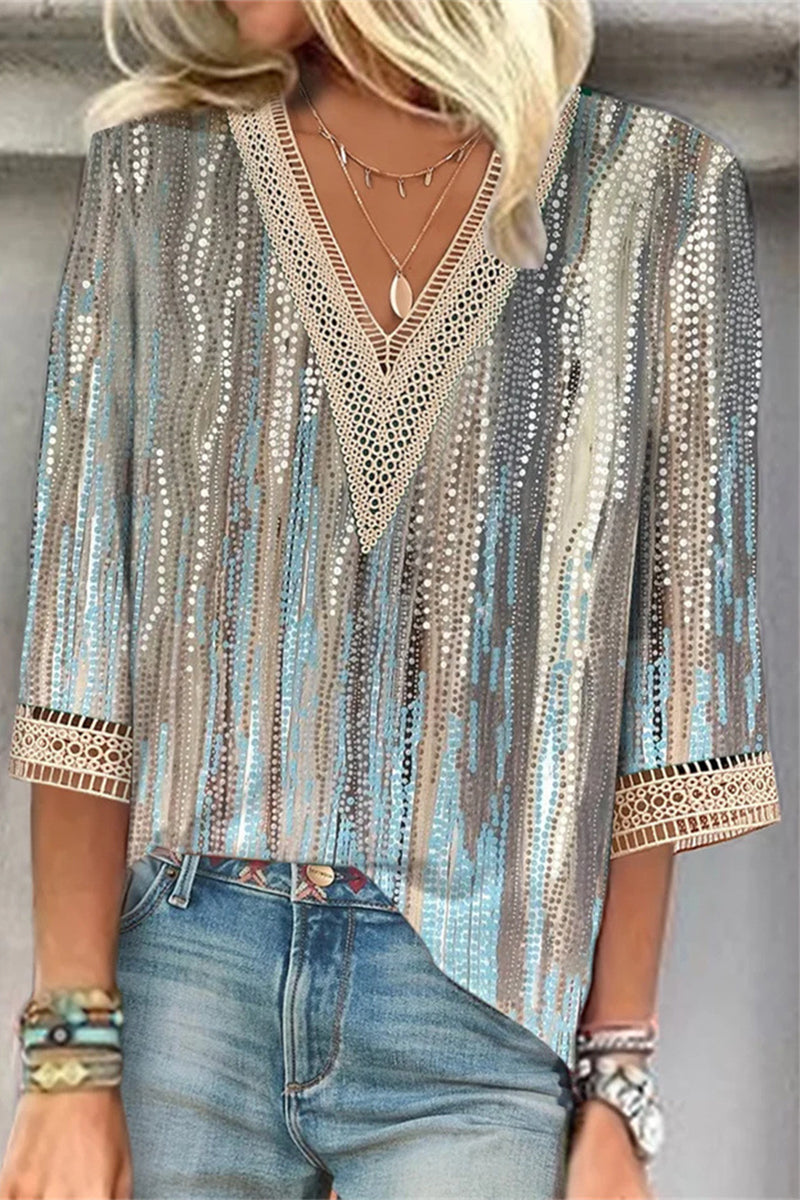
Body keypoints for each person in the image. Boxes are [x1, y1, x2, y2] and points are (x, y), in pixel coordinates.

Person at [0, 1, 783, 1198]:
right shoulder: (158, 179)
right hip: (185, 974)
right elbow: (82, 637)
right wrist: (70, 1061)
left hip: (480, 1008)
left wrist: (615, 1084)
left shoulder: (657, 198)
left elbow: (668, 682)